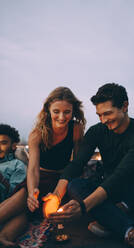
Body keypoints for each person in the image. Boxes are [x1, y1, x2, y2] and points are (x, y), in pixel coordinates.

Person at [51, 83, 134, 248]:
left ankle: (121, 226)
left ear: (124, 106)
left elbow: (120, 176)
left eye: (108, 114)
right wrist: (56, 195)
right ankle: (124, 224)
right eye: (99, 115)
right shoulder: (97, 131)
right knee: (75, 185)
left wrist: (83, 208)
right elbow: (77, 164)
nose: (103, 120)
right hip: (110, 192)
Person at [0, 87, 86, 247]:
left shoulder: (76, 129)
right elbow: (32, 168)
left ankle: (4, 238)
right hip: (39, 178)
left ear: (73, 111)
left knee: (30, 212)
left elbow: (76, 164)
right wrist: (32, 192)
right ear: (48, 110)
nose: (62, 117)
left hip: (62, 180)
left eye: (67, 112)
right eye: (56, 111)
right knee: (23, 202)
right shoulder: (38, 133)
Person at [0, 124, 27, 202]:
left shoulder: (17, 165)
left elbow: (15, 194)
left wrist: (2, 180)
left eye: (3, 143)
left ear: (13, 146)